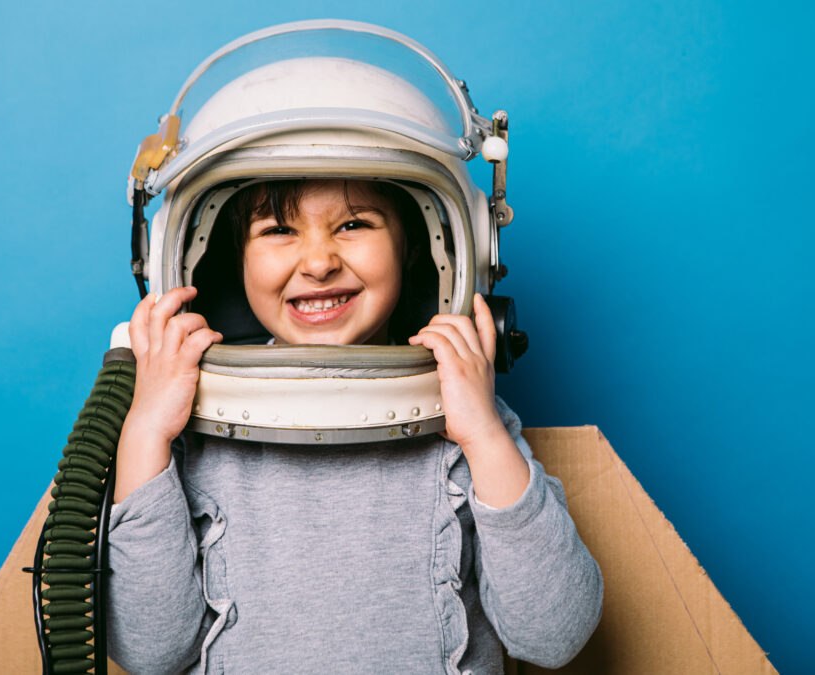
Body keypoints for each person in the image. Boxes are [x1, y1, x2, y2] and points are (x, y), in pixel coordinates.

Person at [105, 21, 602, 674]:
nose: (317, 262)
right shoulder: (184, 432)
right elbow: (148, 649)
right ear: (213, 256)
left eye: (354, 223)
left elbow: (555, 634)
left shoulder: (468, 422)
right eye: (279, 229)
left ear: (433, 245)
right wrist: (144, 432)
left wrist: (483, 434)